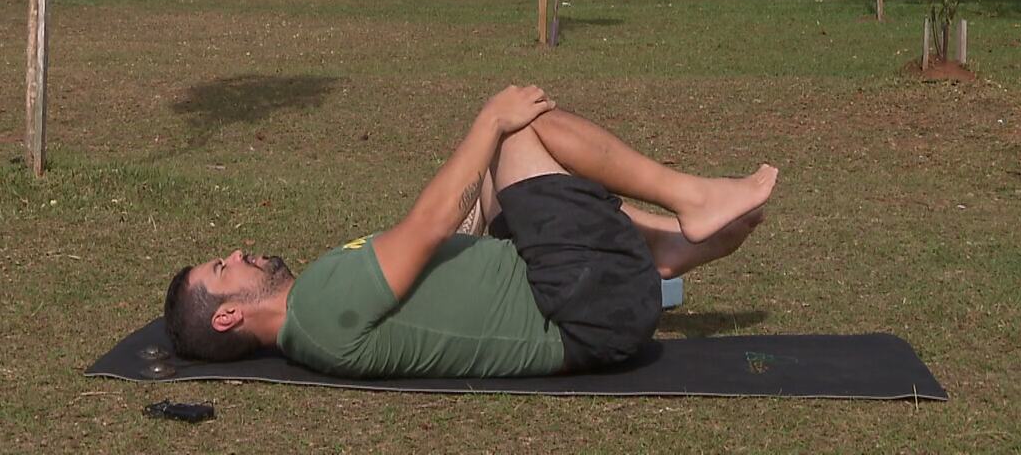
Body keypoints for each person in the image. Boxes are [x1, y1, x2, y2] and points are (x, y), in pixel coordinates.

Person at [163, 86, 778, 378]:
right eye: (224, 269)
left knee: (489, 179)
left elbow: (448, 234)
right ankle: (690, 199)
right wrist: (488, 122)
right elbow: (428, 225)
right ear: (227, 317)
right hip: (585, 311)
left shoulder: (316, 311)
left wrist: (480, 189)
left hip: (576, 292)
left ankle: (663, 248)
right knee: (519, 133)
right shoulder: (319, 307)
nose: (239, 253)